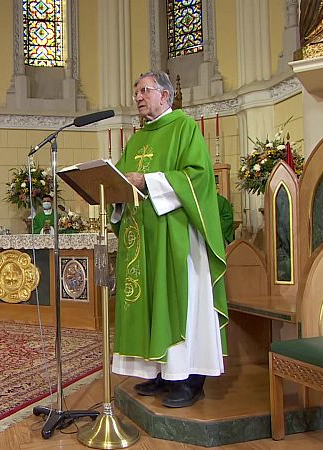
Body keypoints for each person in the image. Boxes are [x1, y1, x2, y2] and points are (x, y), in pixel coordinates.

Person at [111, 71, 229, 409]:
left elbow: (197, 178)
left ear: (166, 95)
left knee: (181, 303)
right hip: (144, 238)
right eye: (135, 92)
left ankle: (190, 380)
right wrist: (115, 190)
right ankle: (162, 371)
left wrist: (147, 180)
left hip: (176, 236)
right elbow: (121, 179)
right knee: (151, 303)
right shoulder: (136, 140)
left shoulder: (184, 128)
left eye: (144, 91)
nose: (138, 97)